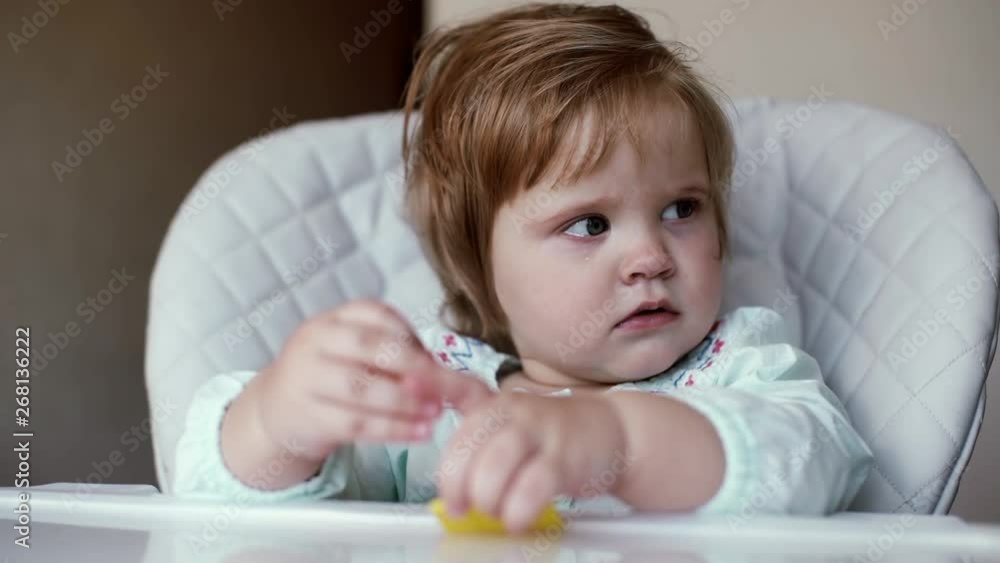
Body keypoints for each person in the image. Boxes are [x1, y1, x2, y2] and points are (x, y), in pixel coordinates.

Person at [173, 2, 873, 533]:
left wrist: (618, 441)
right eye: (590, 224)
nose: (651, 257)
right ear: (481, 267)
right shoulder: (430, 398)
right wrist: (281, 419)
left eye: (681, 208)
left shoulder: (739, 367)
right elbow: (223, 514)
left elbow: (811, 462)